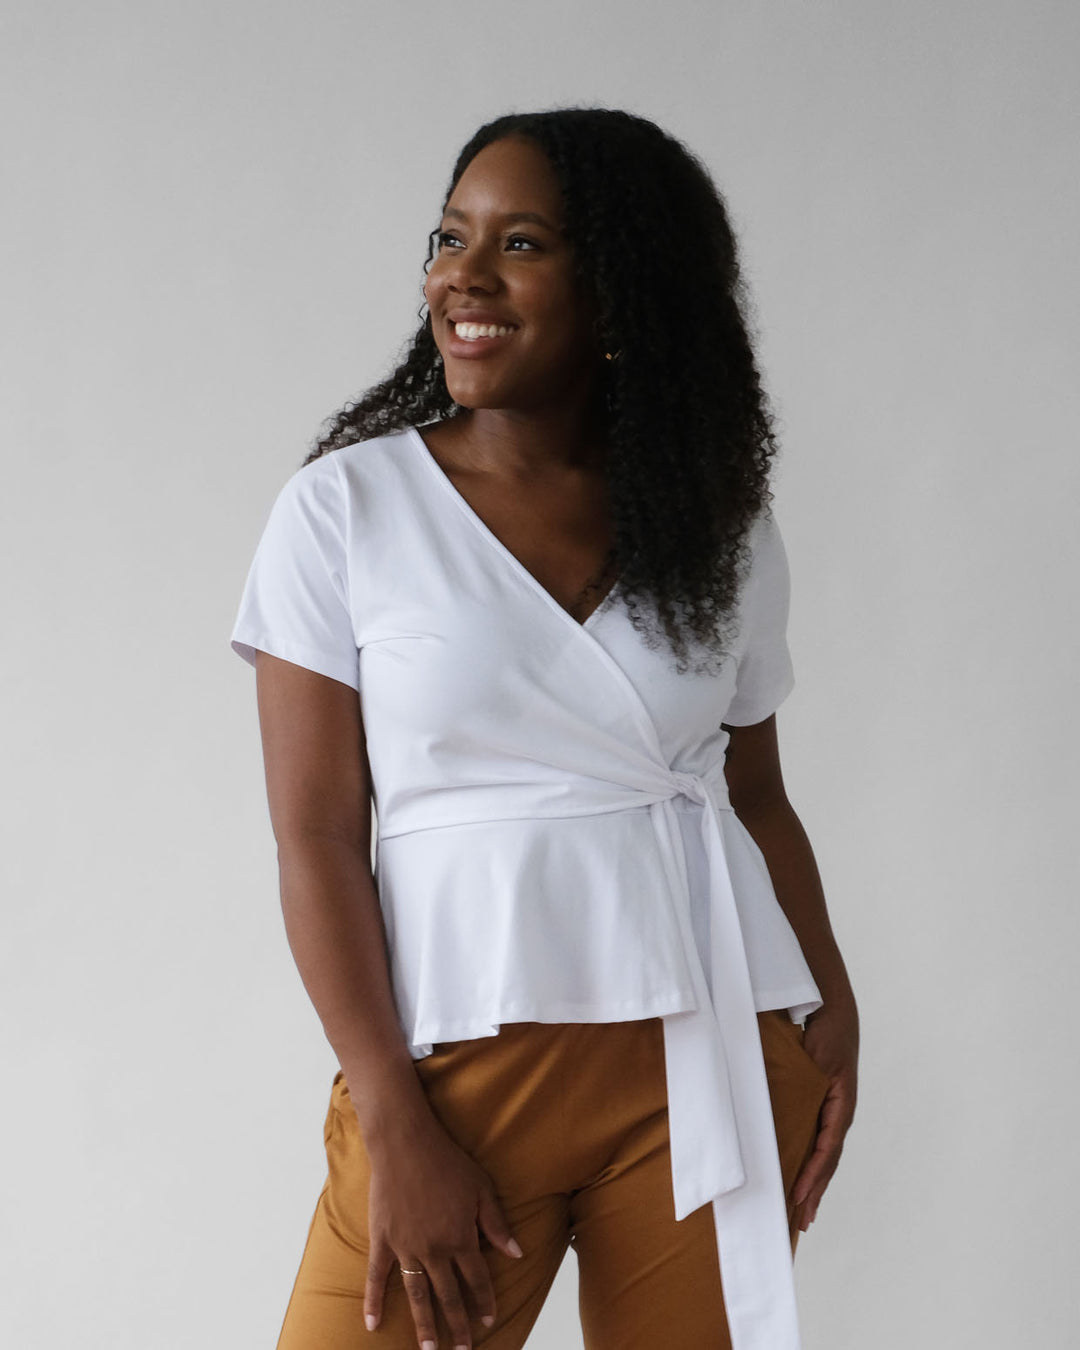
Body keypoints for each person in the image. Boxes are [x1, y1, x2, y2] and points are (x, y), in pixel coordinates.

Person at [229, 107, 859, 1350]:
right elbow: (315, 840)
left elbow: (756, 795)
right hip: (453, 1071)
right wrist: (392, 1115)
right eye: (449, 237)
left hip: (710, 1057)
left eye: (519, 243)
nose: (463, 275)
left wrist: (831, 1008)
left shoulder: (719, 528)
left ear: (621, 290)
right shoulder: (347, 509)